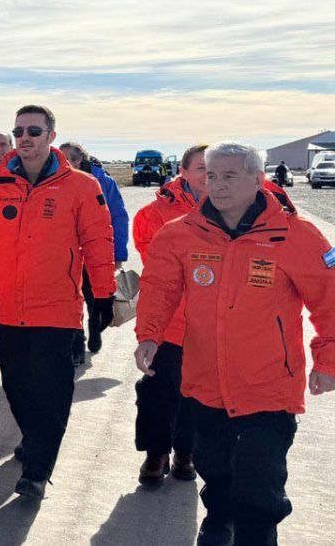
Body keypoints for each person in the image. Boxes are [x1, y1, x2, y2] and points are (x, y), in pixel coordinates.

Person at [135, 141, 335, 545]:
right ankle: (219, 518)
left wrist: (328, 359)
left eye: (230, 175)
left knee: (260, 485)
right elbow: (158, 289)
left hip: (269, 387)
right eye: (211, 176)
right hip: (206, 385)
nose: (218, 185)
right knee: (216, 468)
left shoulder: (296, 236)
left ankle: (254, 533)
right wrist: (149, 336)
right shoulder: (180, 235)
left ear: (258, 180)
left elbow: (329, 300)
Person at [0, 104, 116, 500]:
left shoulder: (81, 186)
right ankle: (34, 438)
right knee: (16, 386)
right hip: (7, 306)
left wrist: (103, 292)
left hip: (57, 309)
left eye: (33, 131)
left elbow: (98, 241)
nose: (24, 138)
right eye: (19, 132)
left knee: (53, 390)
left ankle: (38, 469)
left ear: (51, 136)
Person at [129, 144, 208, 485]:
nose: (210, 174)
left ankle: (186, 452)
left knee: (196, 395)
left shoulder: (233, 208)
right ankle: (156, 452)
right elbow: (155, 264)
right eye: (202, 168)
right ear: (184, 172)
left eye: (215, 168)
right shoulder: (155, 213)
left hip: (210, 325)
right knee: (159, 390)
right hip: (170, 321)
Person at [59, 141, 129, 361]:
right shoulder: (57, 182)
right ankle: (76, 344)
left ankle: (95, 329)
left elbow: (118, 217)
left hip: (96, 251)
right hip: (67, 253)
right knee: (72, 298)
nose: (60, 162)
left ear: (78, 160)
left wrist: (118, 255)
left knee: (92, 297)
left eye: (65, 158)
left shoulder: (103, 181)